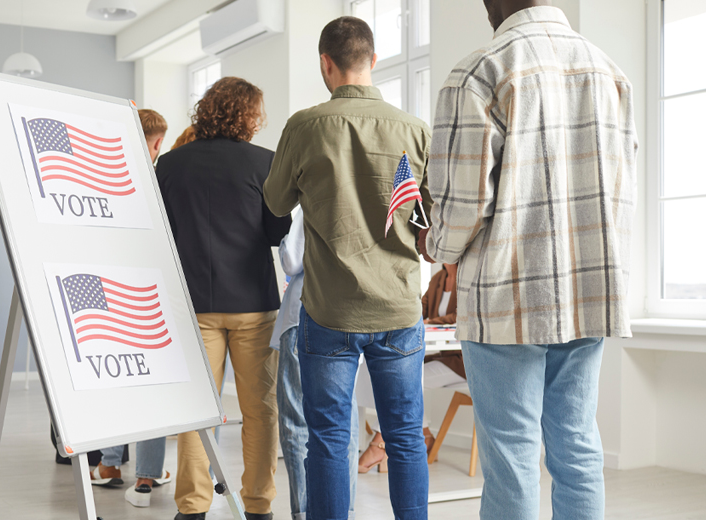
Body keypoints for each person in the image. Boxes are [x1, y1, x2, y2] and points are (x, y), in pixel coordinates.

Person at [418, 1, 638, 518]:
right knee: (578, 443)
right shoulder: (609, 70)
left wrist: (434, 246)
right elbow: (622, 184)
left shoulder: (480, 71)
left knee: (512, 453)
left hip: (505, 292)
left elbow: (464, 206)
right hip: (591, 288)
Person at [264, 16, 433, 520]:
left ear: (325, 64)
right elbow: (431, 218)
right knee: (404, 436)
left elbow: (275, 204)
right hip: (399, 307)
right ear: (373, 61)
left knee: (329, 439)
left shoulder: (304, 126)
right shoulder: (415, 130)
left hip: (330, 310)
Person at [156, 77, 291, 520]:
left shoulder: (170, 165)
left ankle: (192, 508)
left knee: (195, 412)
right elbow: (277, 233)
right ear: (250, 115)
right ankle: (258, 506)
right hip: (253, 302)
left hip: (193, 303)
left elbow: (163, 234)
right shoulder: (265, 163)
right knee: (259, 411)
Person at [91, 108, 172, 509]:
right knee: (151, 384)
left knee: (117, 379)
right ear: (157, 141)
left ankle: (109, 465)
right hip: (149, 292)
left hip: (109, 289)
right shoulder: (160, 180)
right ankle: (145, 475)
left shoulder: (104, 174)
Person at [270, 208, 360, 520]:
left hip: (305, 313)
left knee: (297, 420)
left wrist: (285, 238)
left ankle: (306, 511)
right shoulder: (365, 197)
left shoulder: (313, 201)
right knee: (342, 419)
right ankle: (341, 509)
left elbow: (292, 260)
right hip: (350, 317)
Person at [358, 263, 462, 471]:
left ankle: (381, 441)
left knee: (407, 380)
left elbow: (460, 316)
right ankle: (424, 435)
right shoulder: (439, 278)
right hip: (442, 356)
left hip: (462, 362)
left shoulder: (466, 275)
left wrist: (431, 321)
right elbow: (418, 308)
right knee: (377, 370)